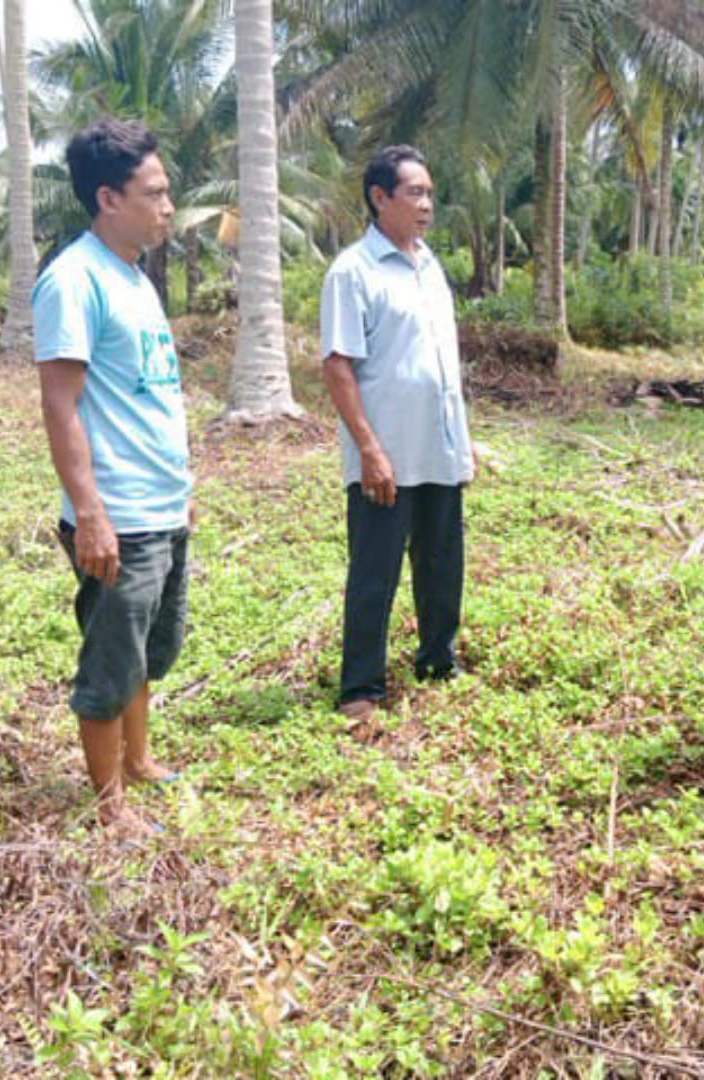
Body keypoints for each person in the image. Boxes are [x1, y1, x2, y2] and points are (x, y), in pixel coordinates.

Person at [34, 117, 192, 833]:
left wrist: (181, 492)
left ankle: (139, 759)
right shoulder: (73, 280)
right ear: (107, 197)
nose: (167, 206)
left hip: (160, 504)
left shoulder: (133, 278)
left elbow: (146, 396)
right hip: (117, 514)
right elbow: (60, 405)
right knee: (110, 658)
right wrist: (90, 511)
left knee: (150, 648)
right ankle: (110, 807)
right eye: (154, 193)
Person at [320, 145, 475, 725]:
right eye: (415, 193)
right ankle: (361, 686)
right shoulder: (353, 271)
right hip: (384, 456)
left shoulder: (430, 266)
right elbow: (338, 366)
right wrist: (369, 449)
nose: (427, 204)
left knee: (441, 564)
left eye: (430, 193)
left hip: (436, 447)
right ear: (379, 197)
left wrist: (462, 443)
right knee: (375, 572)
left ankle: (438, 662)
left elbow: (441, 365)